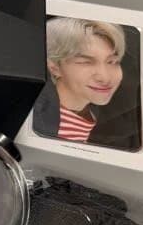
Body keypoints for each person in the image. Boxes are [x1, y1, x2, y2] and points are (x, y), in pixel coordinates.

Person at [33, 18, 129, 147]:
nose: (105, 77)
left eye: (112, 61)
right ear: (54, 67)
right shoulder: (35, 120)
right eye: (86, 62)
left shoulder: (95, 111)